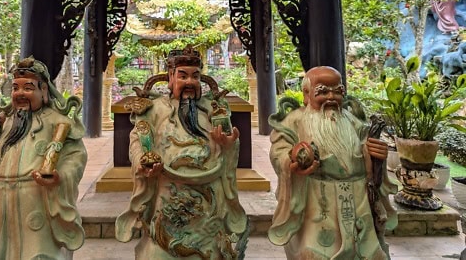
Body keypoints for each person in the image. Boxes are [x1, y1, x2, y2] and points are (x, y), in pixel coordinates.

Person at [115, 45, 248, 259]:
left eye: (195, 76)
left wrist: (228, 145)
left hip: (208, 196)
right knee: (160, 251)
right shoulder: (155, 109)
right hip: (168, 193)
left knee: (210, 250)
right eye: (182, 76)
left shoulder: (214, 110)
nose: (189, 82)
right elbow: (137, 141)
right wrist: (144, 161)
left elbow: (229, 146)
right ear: (170, 77)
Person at [0, 57, 87, 260]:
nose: (20, 94)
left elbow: (76, 157)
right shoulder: (2, 123)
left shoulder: (58, 123)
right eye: (15, 88)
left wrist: (61, 177)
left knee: (38, 253)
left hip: (35, 202)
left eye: (28, 88)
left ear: (44, 91)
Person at [268, 66, 397, 260]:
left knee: (369, 254)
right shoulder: (295, 120)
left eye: (338, 91)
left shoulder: (352, 120)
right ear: (306, 93)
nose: (331, 97)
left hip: (358, 200)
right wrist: (291, 158)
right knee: (313, 253)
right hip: (317, 199)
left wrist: (376, 154)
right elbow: (278, 151)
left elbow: (367, 145)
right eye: (323, 91)